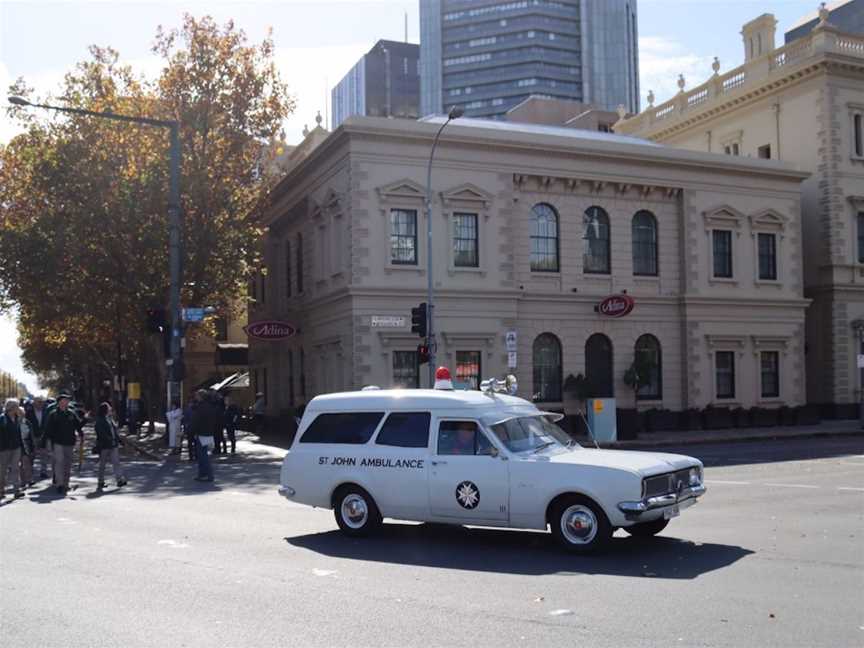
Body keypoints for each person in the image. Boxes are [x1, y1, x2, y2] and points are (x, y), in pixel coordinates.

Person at [46, 393, 84, 494]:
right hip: (58, 442)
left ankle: (66, 484)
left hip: (70, 442)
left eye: (67, 400)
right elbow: (48, 430)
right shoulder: (53, 414)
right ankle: (59, 484)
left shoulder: (71, 413)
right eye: (64, 400)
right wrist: (48, 443)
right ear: (59, 402)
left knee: (68, 464)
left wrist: (84, 422)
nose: (66, 402)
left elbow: (78, 425)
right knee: (59, 463)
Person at [94, 402, 127, 490]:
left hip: (113, 445)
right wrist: (108, 439)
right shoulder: (100, 420)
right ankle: (100, 481)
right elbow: (100, 433)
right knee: (102, 464)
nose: (110, 409)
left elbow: (114, 432)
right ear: (105, 410)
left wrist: (119, 441)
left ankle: (119, 480)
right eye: (109, 408)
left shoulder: (110, 419)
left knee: (116, 462)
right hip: (104, 445)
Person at [189, 390, 219, 482]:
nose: (196, 397)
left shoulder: (200, 407)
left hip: (201, 433)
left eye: (197, 395)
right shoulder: (211, 407)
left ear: (201, 397)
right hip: (209, 433)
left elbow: (196, 421)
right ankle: (202, 474)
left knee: (203, 456)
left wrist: (190, 431)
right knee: (203, 454)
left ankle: (208, 475)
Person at [0, 399, 25, 501]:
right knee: (2, 470)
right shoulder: (2, 418)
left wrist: (22, 447)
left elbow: (19, 433)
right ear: (11, 407)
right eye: (16, 406)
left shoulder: (17, 418)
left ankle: (16, 490)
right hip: (4, 448)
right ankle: (1, 490)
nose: (18, 408)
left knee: (15, 468)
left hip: (16, 447)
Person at [26, 396, 52, 480]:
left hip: (43, 436)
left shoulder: (46, 411)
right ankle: (30, 472)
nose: (40, 404)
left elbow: (48, 423)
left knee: (44, 454)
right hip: (32, 436)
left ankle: (43, 472)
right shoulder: (29, 412)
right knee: (31, 455)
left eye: (41, 402)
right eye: (38, 402)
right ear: (34, 403)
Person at [18, 406, 35, 488]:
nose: (20, 415)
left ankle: (29, 479)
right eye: (18, 413)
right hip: (16, 445)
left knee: (26, 462)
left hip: (25, 444)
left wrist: (33, 446)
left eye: (21, 413)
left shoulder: (27, 422)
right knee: (19, 464)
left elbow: (31, 435)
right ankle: (22, 481)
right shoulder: (13, 422)